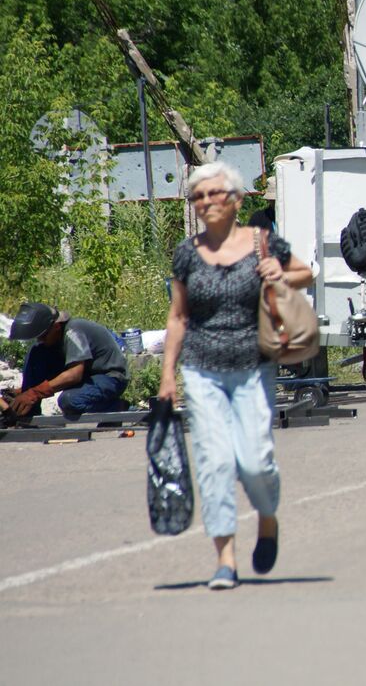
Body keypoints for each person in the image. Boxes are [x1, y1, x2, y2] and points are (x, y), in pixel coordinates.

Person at [159, 161, 314, 589]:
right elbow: (177, 316)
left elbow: (306, 272)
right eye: (197, 197)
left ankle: (267, 518)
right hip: (201, 369)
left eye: (213, 194)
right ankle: (224, 559)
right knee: (214, 460)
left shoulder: (262, 242)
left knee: (255, 459)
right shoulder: (187, 253)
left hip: (253, 366)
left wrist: (280, 273)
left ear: (236, 200)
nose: (205, 202)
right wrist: (167, 376)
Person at [3, 303, 129, 421]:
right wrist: (24, 392)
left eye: (43, 336)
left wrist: (34, 393)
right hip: (87, 375)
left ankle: (116, 407)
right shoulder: (53, 338)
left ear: (57, 326)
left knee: (70, 401)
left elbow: (74, 374)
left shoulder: (73, 331)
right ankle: (26, 413)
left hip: (109, 378)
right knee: (37, 351)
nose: (40, 340)